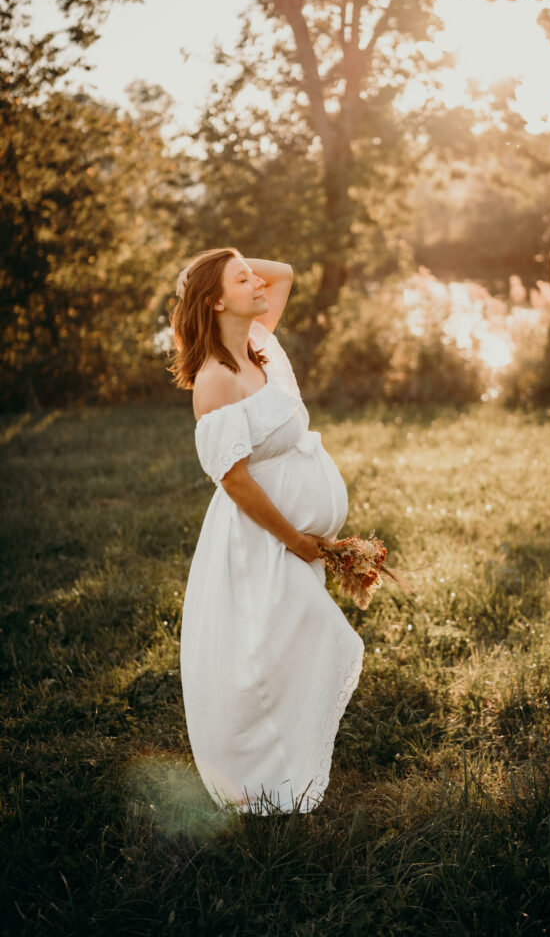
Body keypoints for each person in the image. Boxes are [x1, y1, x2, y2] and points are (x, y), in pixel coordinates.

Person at [169, 246, 364, 815]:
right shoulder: (215, 381)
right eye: (242, 280)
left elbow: (286, 273)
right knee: (275, 650)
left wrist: (223, 262)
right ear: (216, 301)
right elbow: (235, 482)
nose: (258, 282)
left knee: (286, 647)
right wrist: (297, 541)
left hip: (285, 539)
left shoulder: (259, 344)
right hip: (259, 539)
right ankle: (255, 781)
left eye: (251, 277)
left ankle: (286, 766)